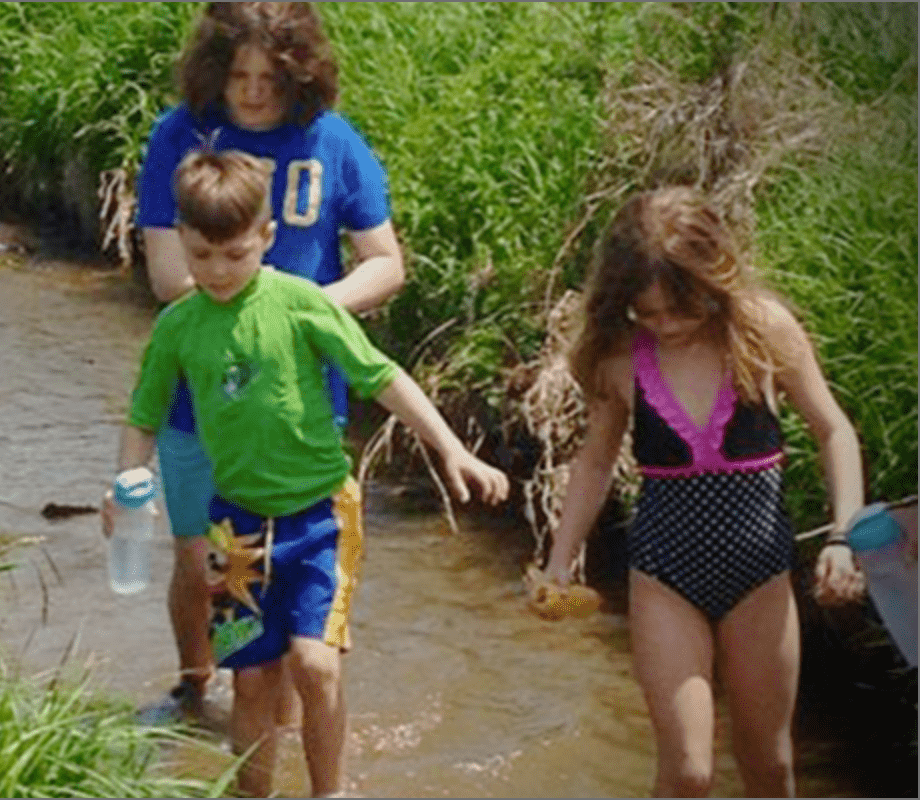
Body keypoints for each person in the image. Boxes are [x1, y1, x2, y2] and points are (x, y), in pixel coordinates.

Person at [106, 149, 509, 798]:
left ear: (266, 238)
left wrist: (452, 448)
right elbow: (143, 416)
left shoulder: (300, 303)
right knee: (253, 680)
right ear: (181, 241)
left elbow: (382, 377)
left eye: (234, 255)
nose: (217, 272)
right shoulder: (178, 327)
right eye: (201, 256)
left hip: (320, 514)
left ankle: (331, 792)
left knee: (314, 664)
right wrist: (124, 485)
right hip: (233, 530)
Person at [538, 186, 866, 797]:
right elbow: (594, 462)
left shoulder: (762, 329)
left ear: (713, 282)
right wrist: (560, 560)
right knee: (688, 772)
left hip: (760, 576)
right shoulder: (618, 359)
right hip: (666, 577)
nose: (663, 326)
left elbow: (833, 430)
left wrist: (843, 538)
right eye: (647, 313)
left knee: (769, 765)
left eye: (678, 310)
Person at [134, 0, 406, 724]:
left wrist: (305, 317)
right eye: (238, 73)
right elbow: (168, 275)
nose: (253, 91)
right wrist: (243, 316)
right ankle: (195, 688)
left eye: (270, 77)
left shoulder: (334, 142)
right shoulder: (177, 137)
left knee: (285, 564)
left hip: (301, 401)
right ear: (213, 69)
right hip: (199, 400)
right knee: (201, 559)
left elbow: (385, 264)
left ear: (301, 72)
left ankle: (272, 712)